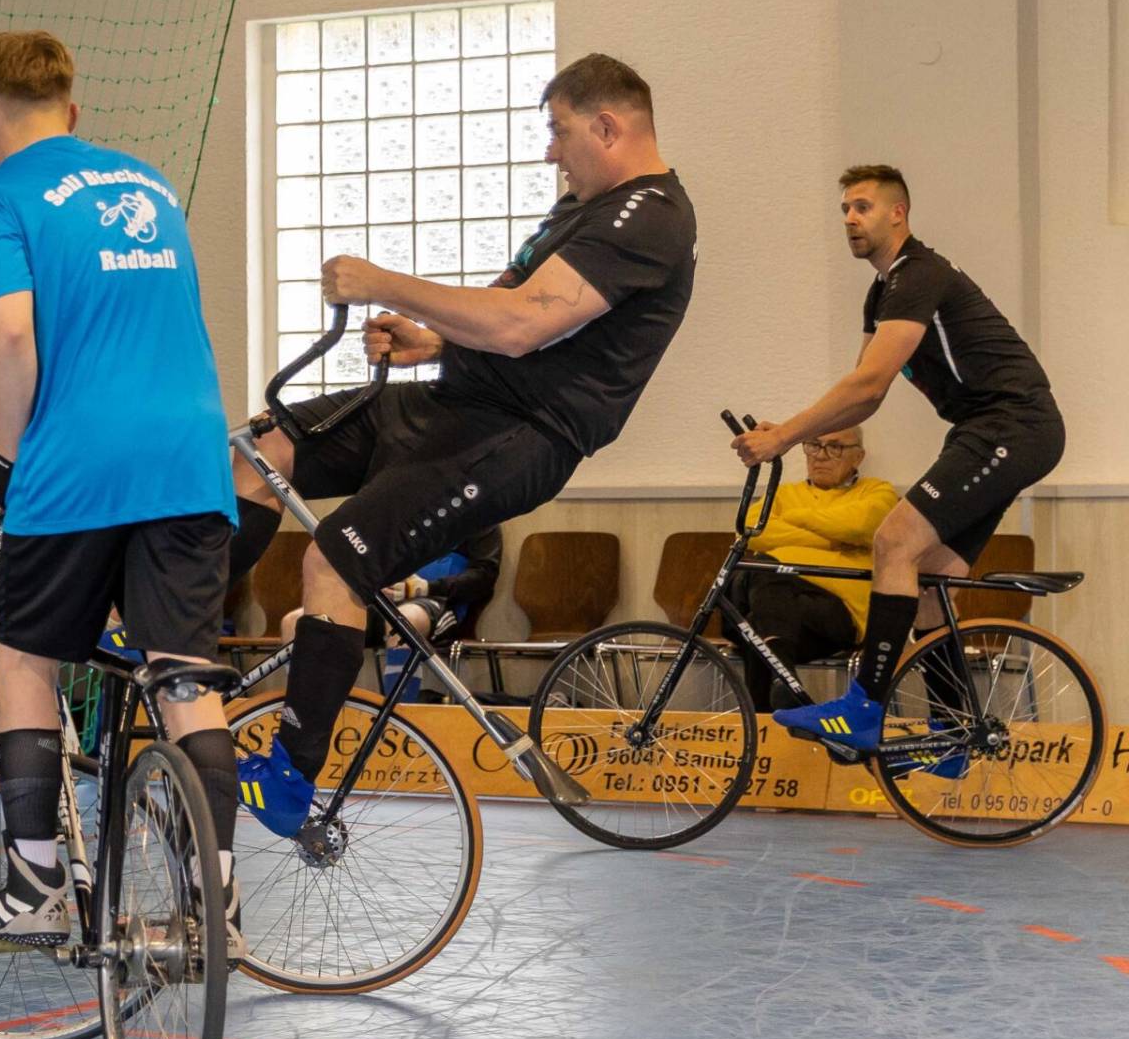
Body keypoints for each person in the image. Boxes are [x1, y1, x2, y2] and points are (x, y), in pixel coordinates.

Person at [230, 53, 698, 838]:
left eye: (560, 132)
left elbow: (522, 325)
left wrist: (384, 281)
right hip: (453, 402)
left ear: (607, 127)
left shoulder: (648, 216)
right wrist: (435, 340)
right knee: (260, 449)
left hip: (516, 435)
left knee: (335, 559)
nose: (550, 151)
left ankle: (289, 777)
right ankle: (174, 649)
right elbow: (515, 311)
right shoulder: (583, 208)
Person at [0, 31, 241, 948]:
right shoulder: (150, 184)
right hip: (190, 458)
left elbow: (8, 332)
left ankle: (36, 878)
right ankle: (217, 904)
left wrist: (5, 450)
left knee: (26, 658)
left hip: (78, 463)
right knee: (184, 675)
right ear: (72, 110)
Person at [732, 165, 1062, 760]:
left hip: (1012, 426)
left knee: (893, 542)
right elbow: (866, 396)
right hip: (987, 430)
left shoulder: (917, 273)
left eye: (862, 207)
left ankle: (863, 710)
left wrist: (784, 438)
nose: (850, 219)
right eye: (844, 209)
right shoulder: (882, 291)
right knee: (930, 581)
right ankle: (954, 734)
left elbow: (868, 383)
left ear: (898, 213)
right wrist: (788, 432)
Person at [730, 427, 897, 710]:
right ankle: (783, 684)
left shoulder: (878, 491)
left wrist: (794, 520)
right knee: (762, 581)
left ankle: (766, 722)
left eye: (835, 447)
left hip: (838, 612)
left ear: (858, 456)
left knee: (756, 619)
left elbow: (860, 526)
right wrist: (833, 540)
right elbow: (748, 530)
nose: (821, 456)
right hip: (783, 610)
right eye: (814, 445)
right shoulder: (783, 493)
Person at [275, 526, 503, 703]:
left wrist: (424, 588)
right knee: (294, 622)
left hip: (437, 602)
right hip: (381, 602)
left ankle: (399, 718)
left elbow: (484, 577)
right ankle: (306, 714)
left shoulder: (482, 518)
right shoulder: (403, 511)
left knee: (403, 622)